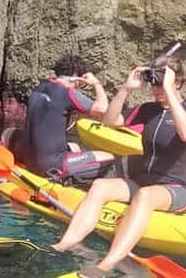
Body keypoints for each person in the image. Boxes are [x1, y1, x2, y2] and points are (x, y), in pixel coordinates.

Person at [51, 56, 186, 278]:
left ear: (178, 82)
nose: (156, 89)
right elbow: (109, 120)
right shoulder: (148, 110)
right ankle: (65, 243)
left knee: (144, 196)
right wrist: (126, 89)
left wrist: (170, 92)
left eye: (161, 82)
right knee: (100, 186)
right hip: (142, 182)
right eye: (154, 83)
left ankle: (107, 264)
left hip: (174, 189)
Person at [10, 55, 114, 183]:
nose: (79, 86)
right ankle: (71, 183)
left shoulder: (40, 87)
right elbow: (102, 109)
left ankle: (70, 175)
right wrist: (96, 83)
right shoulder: (67, 93)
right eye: (81, 83)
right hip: (50, 165)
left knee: (75, 147)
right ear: (76, 76)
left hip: (29, 159)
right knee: (108, 157)